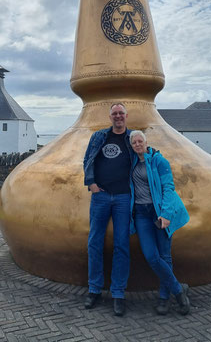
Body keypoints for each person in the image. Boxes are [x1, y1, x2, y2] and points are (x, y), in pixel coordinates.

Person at [129, 130, 191, 315]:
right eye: (134, 142)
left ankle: (164, 298)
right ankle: (179, 290)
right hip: (141, 213)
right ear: (131, 146)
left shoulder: (158, 161)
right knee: (151, 256)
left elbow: (168, 187)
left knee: (165, 256)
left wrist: (165, 214)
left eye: (141, 141)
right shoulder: (132, 162)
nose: (138, 144)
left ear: (146, 142)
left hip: (158, 214)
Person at [83, 102, 135, 316]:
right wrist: (91, 183)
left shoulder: (132, 138)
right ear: (110, 117)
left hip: (124, 197)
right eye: (114, 113)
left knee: (122, 244)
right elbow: (88, 159)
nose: (118, 116)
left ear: (126, 115)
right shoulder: (99, 137)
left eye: (121, 113)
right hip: (101, 196)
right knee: (95, 242)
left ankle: (118, 293)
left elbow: (144, 158)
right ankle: (94, 289)